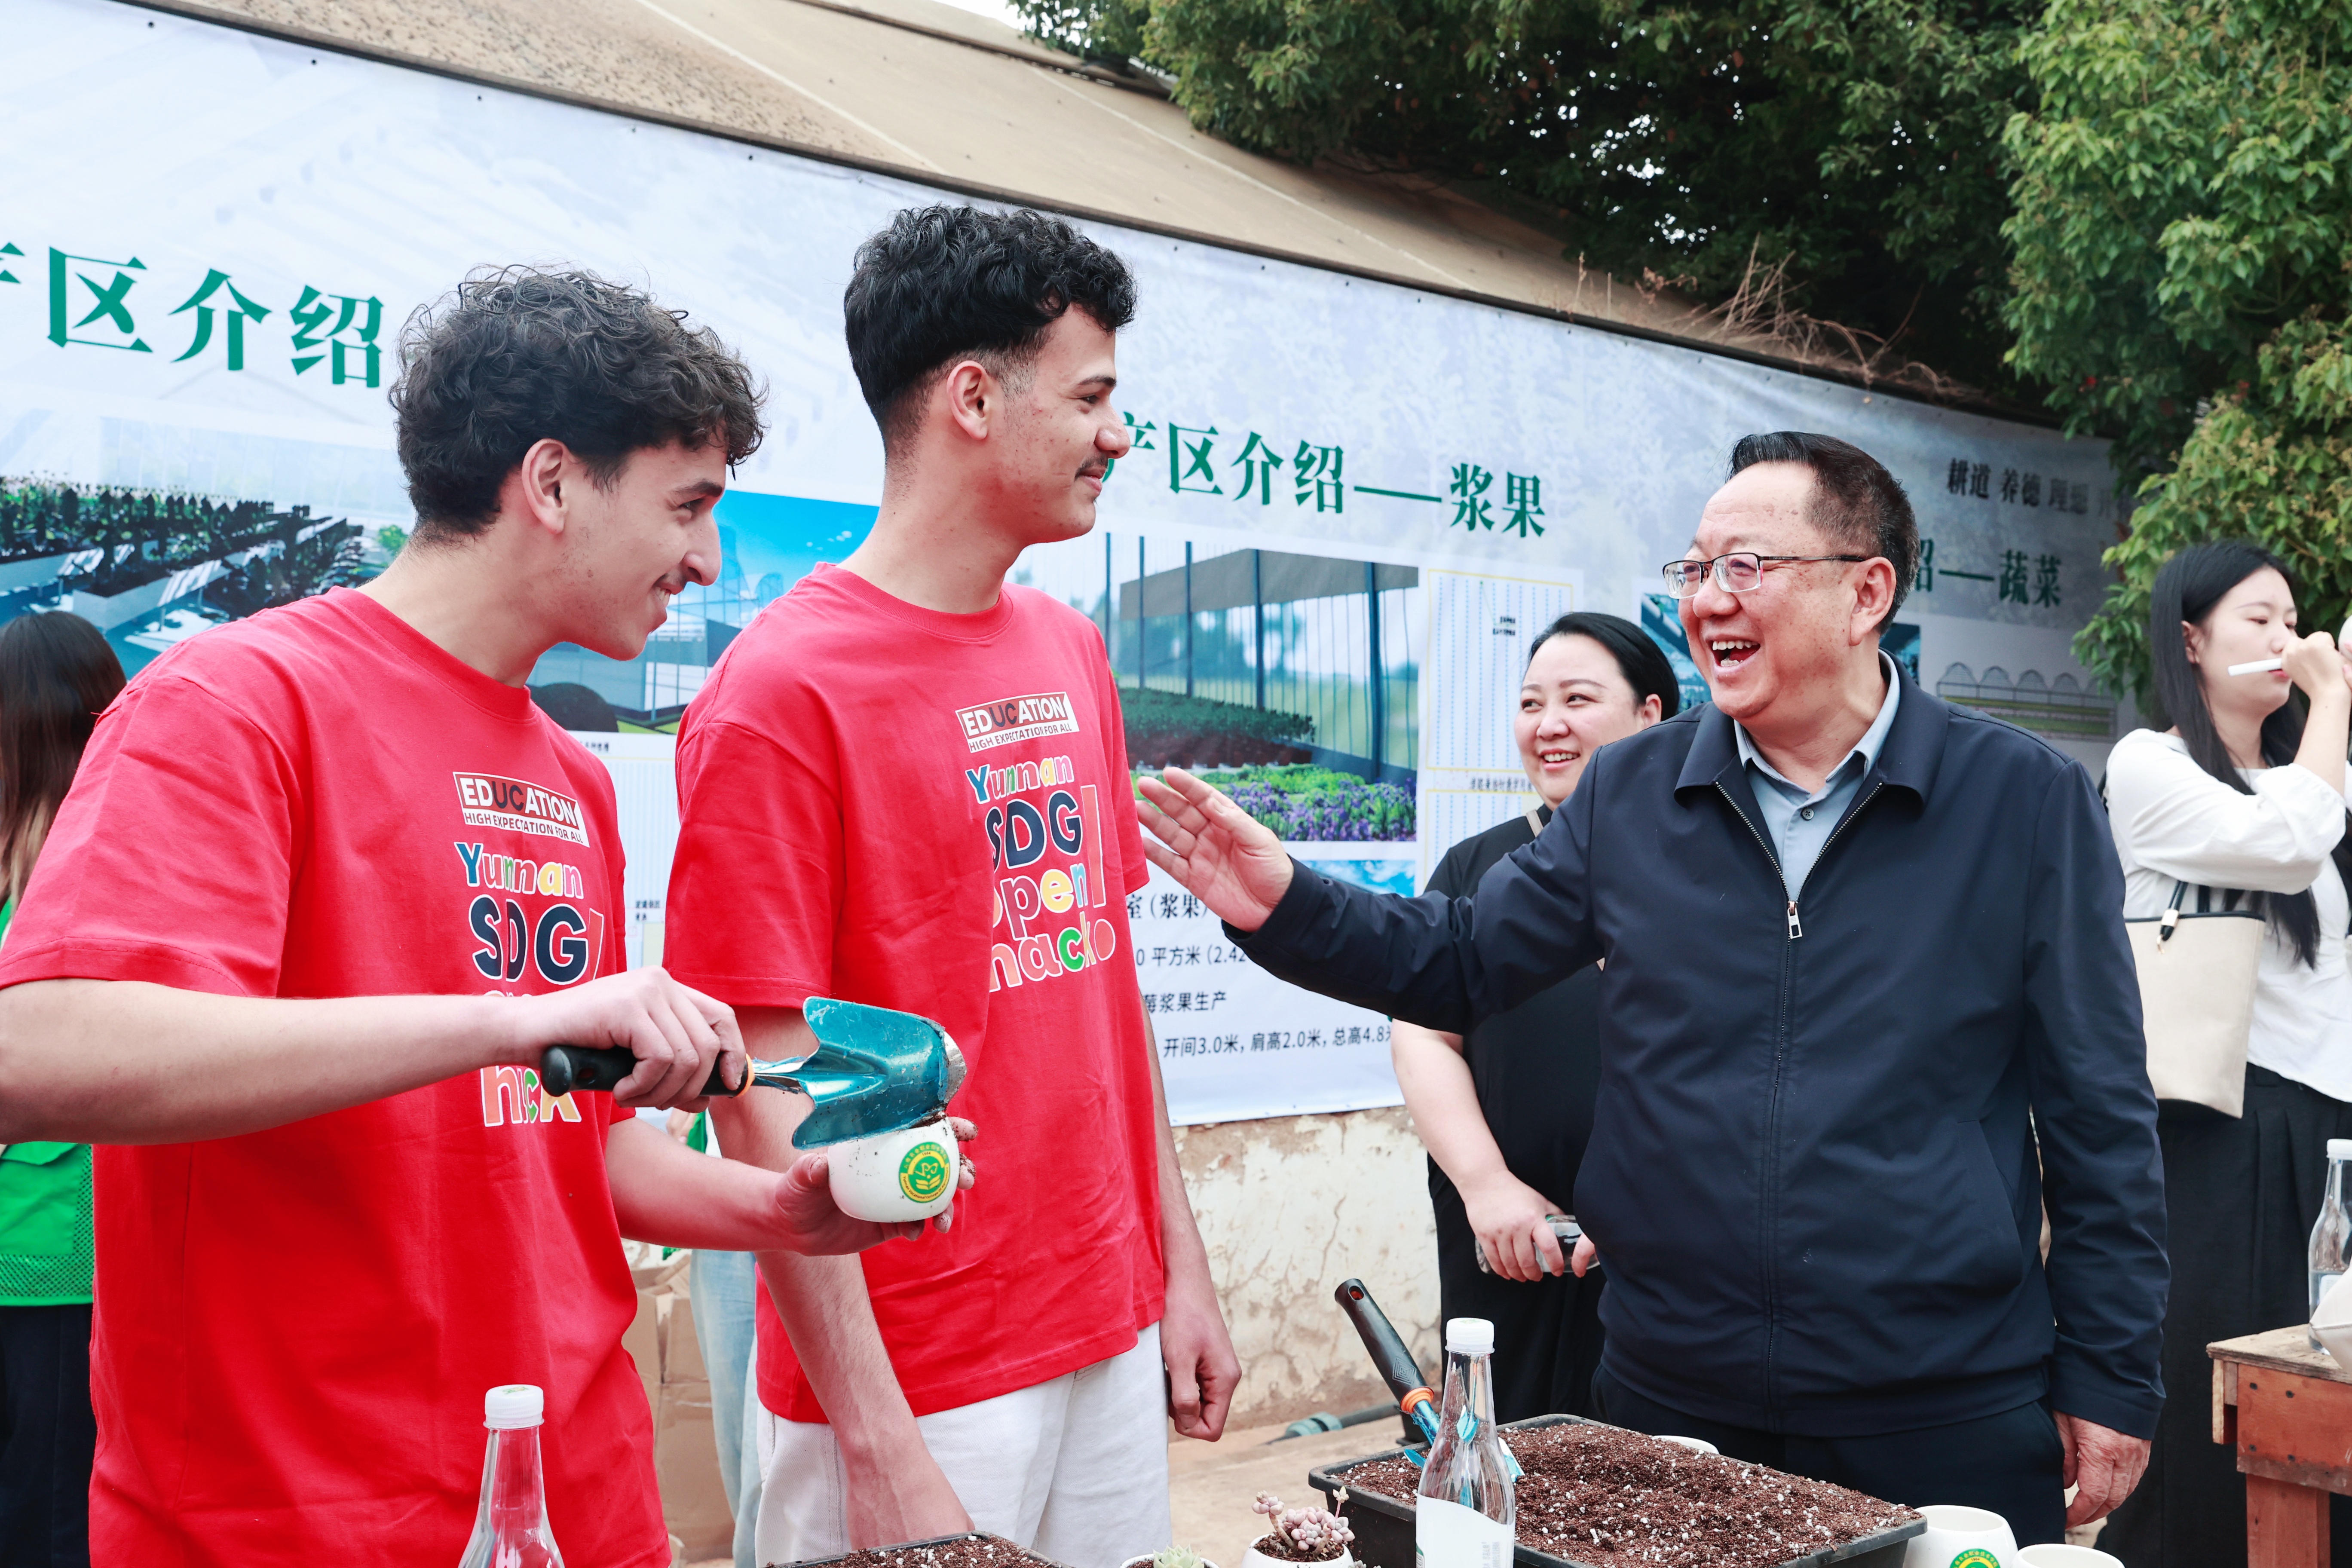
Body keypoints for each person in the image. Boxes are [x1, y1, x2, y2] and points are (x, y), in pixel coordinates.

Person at [0, 267, 968, 1567]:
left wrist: (778, 1211)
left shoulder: (570, 778)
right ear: (553, 482)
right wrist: (509, 1022)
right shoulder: (236, 703)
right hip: (296, 1524)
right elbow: (42, 1055)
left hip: (583, 1499)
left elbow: (556, 1145)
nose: (706, 560)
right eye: (688, 505)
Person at [1137, 431, 2167, 1544]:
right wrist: (1287, 904)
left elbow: (2099, 1111)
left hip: (1939, 1403)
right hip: (1672, 1399)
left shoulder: (2022, 801)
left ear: (1867, 593)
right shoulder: (1636, 790)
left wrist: (2111, 1374)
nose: (1709, 599)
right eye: (1695, 568)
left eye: (1747, 566)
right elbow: (1465, 956)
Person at [663, 204, 1238, 1568]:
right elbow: (758, 1095)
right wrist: (876, 1443)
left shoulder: (1068, 649)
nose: (1117, 437)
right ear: (974, 399)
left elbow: (1102, 987)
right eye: (1090, 399)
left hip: (1103, 1326)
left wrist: (1179, 1269)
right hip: (916, 1371)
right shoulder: (780, 693)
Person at [2097, 541, 2352, 1568]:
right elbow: (2286, 844)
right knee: (2221, 1394)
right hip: (2214, 1120)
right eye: (2261, 619)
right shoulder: (2148, 767)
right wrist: (2333, 700)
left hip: (2325, 1121)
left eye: (2294, 619)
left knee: (2324, 1386)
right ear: (2192, 641)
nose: (2287, 638)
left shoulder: (2322, 778)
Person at [1392, 611, 1675, 1421]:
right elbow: (1422, 1032)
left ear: (1650, 715)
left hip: (1664, 1257)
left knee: (1651, 1467)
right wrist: (1486, 1187)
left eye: (1577, 700)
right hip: (1507, 1247)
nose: (1548, 725)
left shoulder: (1706, 870)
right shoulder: (1480, 868)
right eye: (1530, 703)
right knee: (1500, 1451)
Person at [0, 612, 123, 1568]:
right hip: (61, 1263)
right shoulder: (113, 888)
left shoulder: (34, 888)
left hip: (49, 1256)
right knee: (52, 1516)